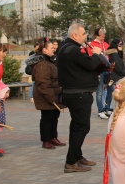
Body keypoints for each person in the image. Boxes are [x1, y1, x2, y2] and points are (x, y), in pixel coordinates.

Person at [56, 23, 105, 173]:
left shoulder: (65, 48)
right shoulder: (72, 50)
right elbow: (89, 65)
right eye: (83, 34)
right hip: (78, 94)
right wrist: (96, 53)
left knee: (76, 126)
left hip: (74, 93)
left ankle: (77, 156)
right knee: (82, 127)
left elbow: (82, 67)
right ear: (75, 35)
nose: (86, 37)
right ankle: (71, 161)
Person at [30, 38, 66, 149]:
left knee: (54, 116)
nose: (53, 50)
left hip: (54, 93)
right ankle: (46, 140)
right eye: (51, 48)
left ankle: (53, 137)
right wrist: (50, 97)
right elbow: (43, 82)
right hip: (46, 95)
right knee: (47, 118)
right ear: (44, 50)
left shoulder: (50, 60)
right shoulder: (42, 63)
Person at [90, 28, 111, 118]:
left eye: (104, 33)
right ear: (96, 35)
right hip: (99, 70)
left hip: (108, 69)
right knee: (100, 91)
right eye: (101, 33)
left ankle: (107, 108)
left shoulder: (106, 44)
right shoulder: (92, 45)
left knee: (110, 90)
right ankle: (100, 110)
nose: (103, 34)